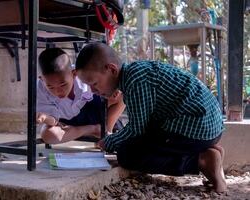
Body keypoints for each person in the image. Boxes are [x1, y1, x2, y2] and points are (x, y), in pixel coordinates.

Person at [75, 42, 226, 193]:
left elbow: (137, 129)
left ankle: (201, 161)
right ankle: (209, 150)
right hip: (209, 128)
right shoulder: (137, 72)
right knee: (137, 141)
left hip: (197, 129)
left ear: (112, 69)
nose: (93, 90)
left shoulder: (135, 81)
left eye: (94, 83)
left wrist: (108, 142)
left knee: (127, 155)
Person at [37, 48, 125, 145]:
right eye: (50, 87)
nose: (58, 91)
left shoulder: (85, 73)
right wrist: (45, 118)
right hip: (68, 123)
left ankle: (106, 132)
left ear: (74, 74)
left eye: (63, 85)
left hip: (93, 111)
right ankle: (94, 130)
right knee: (48, 135)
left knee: (120, 95)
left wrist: (111, 92)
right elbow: (54, 120)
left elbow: (109, 88)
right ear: (42, 80)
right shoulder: (40, 89)